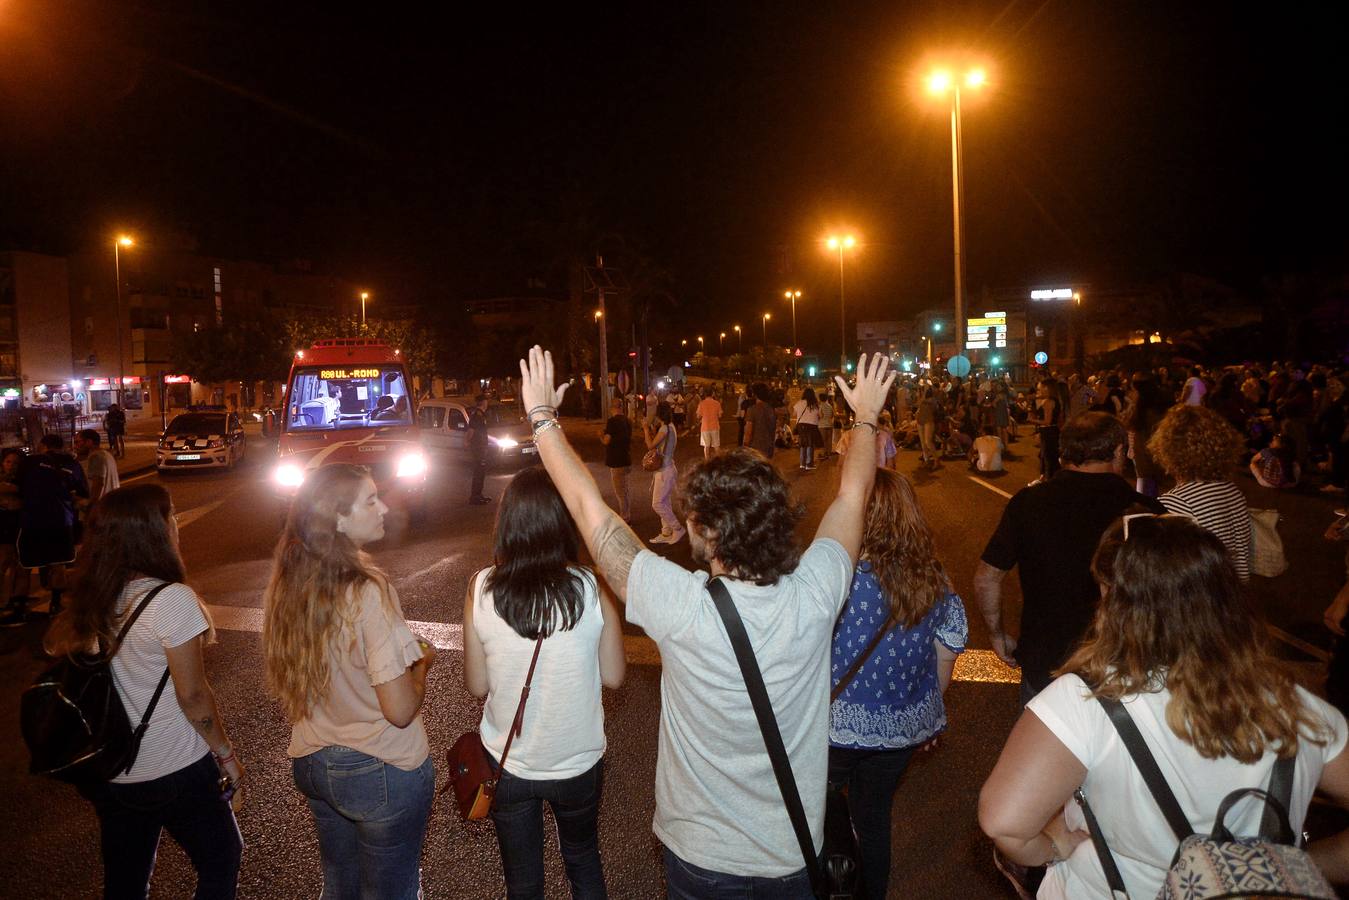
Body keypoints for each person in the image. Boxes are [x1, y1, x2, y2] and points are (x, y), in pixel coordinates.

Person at [516, 345, 894, 896]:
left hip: (699, 856)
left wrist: (542, 418)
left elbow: (587, 508)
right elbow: (854, 495)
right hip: (791, 855)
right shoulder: (817, 593)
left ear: (707, 532)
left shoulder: (678, 603)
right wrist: (864, 417)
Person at [979, 514, 1349, 899]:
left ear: (1112, 599)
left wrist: (1054, 847)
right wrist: (1303, 863)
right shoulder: (1301, 709)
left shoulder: (1087, 701)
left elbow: (1004, 822)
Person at [44, 484, 244, 898]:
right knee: (221, 859)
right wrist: (226, 754)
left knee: (127, 880)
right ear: (152, 532)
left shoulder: (95, 597)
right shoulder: (170, 599)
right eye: (170, 516)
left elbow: (58, 649)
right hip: (176, 766)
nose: (176, 523)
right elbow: (193, 696)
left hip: (115, 770)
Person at [263, 464, 436, 900]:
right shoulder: (367, 591)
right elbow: (398, 711)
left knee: (340, 886)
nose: (385, 507)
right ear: (339, 518)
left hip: (314, 759)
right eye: (371, 500)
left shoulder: (291, 580)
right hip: (379, 767)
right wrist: (421, 667)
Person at [463, 466, 626, 899]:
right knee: (583, 860)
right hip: (577, 762)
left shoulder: (482, 588)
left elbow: (477, 685)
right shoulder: (590, 587)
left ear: (509, 523)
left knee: (524, 882)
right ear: (561, 522)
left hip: (509, 761)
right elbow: (614, 676)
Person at [828, 470, 966, 899]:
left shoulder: (840, 580)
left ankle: (828, 883)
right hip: (900, 732)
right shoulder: (936, 584)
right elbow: (944, 663)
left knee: (816, 809)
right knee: (874, 817)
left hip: (832, 727)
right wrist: (926, 717)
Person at [974, 413, 1164, 702]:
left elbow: (987, 578)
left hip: (1047, 663)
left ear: (1064, 452)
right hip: (1123, 663)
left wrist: (997, 634)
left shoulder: (1029, 502)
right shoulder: (1145, 511)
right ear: (1117, 451)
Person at [1148, 404, 1251, 580]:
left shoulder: (1176, 503)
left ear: (1168, 450)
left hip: (1201, 599)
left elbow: (1166, 572)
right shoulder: (1231, 490)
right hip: (1232, 592)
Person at [6, 433, 88, 624]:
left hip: (32, 521)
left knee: (24, 565)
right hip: (62, 522)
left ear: (43, 446)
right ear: (62, 446)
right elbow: (83, 494)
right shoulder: (73, 464)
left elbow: (16, 486)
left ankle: (19, 608)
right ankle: (56, 604)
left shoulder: (31, 462)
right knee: (58, 564)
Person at [1125, 372, 1172, 497]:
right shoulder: (1156, 411)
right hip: (1157, 467)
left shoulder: (1144, 416)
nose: (1129, 394)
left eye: (1131, 391)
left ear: (1139, 393)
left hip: (1148, 468)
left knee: (1146, 498)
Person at [643, 402, 682, 544]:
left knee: (657, 503)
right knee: (664, 501)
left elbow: (650, 446)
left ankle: (677, 528)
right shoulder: (670, 427)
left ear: (659, 414)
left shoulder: (665, 428)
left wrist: (646, 429)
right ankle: (666, 532)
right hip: (667, 469)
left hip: (665, 471)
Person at [0, 449, 23, 620]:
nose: (11, 466)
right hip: (3, 525)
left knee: (14, 562)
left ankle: (11, 599)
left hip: (16, 525)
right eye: (8, 462)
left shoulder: (22, 481)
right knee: (4, 561)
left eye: (15, 463)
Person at [601, 398, 632, 521]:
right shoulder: (627, 421)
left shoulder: (612, 422)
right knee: (626, 489)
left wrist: (600, 436)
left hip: (616, 460)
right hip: (626, 457)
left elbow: (606, 441)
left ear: (612, 408)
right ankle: (627, 513)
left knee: (620, 491)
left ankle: (625, 517)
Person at [1030, 378, 1064, 484]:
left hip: (1048, 431)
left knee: (1049, 456)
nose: (1039, 390)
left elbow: (1047, 421)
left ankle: (1050, 480)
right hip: (1052, 430)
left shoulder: (1048, 402)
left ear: (1046, 388)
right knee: (1046, 455)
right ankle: (1045, 477)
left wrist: (1032, 419)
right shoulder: (1055, 400)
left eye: (1040, 388)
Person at [74, 428, 120, 505]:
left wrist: (90, 504)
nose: (75, 446)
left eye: (77, 442)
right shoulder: (107, 454)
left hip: (102, 507)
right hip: (111, 504)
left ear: (89, 442)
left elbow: (98, 484)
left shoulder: (95, 457)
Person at [468, 393, 492, 505]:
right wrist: (468, 442)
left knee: (481, 473)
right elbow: (471, 431)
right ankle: (475, 497)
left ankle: (479, 495)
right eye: (486, 401)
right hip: (478, 448)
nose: (487, 403)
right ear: (483, 402)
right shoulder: (477, 415)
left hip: (481, 447)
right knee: (478, 472)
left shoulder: (481, 415)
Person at [742, 382, 777, 459]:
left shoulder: (752, 409)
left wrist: (745, 446)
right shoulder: (771, 410)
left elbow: (748, 432)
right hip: (769, 448)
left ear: (755, 394)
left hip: (755, 449)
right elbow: (773, 428)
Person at [792, 387, 823, 470]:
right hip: (812, 425)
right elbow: (820, 416)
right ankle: (809, 464)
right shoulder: (816, 404)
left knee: (803, 443)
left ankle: (802, 464)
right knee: (810, 444)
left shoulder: (799, 402)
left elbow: (794, 414)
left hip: (801, 425)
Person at [695, 386, 722, 461]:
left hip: (705, 427)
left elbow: (698, 416)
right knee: (716, 446)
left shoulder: (701, 403)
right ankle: (719, 462)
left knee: (706, 446)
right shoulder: (717, 403)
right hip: (715, 427)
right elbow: (720, 416)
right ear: (712, 394)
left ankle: (707, 462)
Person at [818, 393, 836, 460]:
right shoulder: (830, 406)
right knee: (829, 440)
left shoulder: (820, 406)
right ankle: (828, 454)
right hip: (829, 425)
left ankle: (823, 454)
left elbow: (820, 416)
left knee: (823, 441)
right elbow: (832, 415)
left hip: (822, 425)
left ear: (820, 399)